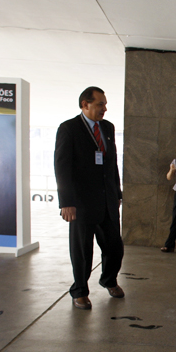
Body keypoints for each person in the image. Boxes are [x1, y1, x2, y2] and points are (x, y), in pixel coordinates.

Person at [54, 86, 125, 310]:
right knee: (82, 251)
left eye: (105, 104)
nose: (105, 108)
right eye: (100, 104)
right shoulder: (69, 128)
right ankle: (80, 291)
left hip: (107, 201)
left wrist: (117, 193)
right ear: (85, 104)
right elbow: (62, 167)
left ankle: (109, 280)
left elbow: (112, 163)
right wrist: (66, 202)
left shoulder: (108, 127)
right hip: (81, 204)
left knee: (114, 246)